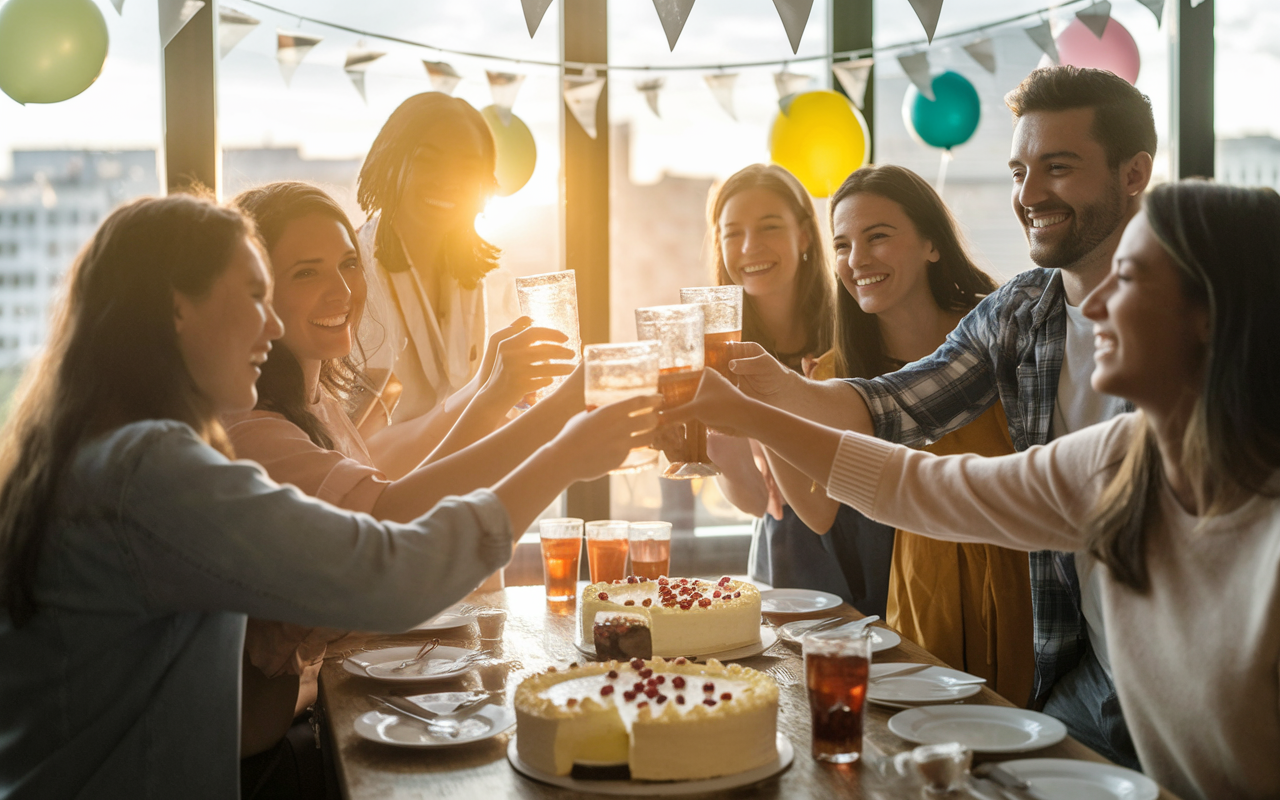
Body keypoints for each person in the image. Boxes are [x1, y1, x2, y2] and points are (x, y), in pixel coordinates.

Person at [0, 193, 658, 798]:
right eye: (257, 296)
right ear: (178, 307)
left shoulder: (94, 450)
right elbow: (392, 568)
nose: (270, 327)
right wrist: (568, 453)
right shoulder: (153, 469)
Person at [677, 180, 1280, 800]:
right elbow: (913, 485)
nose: (1092, 307)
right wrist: (751, 412)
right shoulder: (1117, 458)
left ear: (1209, 311)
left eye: (1126, 280)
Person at [732, 66, 1152, 765]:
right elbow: (889, 410)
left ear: (1134, 173)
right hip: (1081, 668)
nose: (1029, 194)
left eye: (1059, 167)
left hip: (1192, 665)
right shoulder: (1021, 312)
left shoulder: (1210, 308)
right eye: (1020, 170)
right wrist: (762, 388)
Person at [225, 182, 586, 792]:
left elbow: (394, 501)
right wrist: (561, 421)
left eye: (346, 264)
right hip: (261, 770)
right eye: (307, 272)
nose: (341, 291)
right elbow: (392, 523)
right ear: (257, 295)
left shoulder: (319, 406)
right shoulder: (255, 431)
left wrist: (493, 395)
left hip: (305, 726)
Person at [768, 164, 1034, 704]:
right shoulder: (832, 375)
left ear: (932, 243)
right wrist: (767, 413)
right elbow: (818, 513)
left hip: (1021, 571)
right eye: (842, 245)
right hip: (923, 585)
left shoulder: (1000, 335)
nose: (856, 260)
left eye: (878, 237)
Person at [700, 164, 893, 610]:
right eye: (733, 233)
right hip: (788, 555)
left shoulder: (854, 327)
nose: (750, 247)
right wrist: (713, 447)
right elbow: (754, 500)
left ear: (805, 235)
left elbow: (830, 502)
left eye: (769, 227)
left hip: (873, 543)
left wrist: (767, 410)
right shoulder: (721, 350)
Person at [354, 92, 537, 479]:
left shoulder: (491, 283)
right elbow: (358, 455)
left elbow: (502, 425)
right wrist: (487, 396)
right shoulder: (353, 278)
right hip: (382, 519)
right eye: (427, 160)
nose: (448, 182)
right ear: (389, 162)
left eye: (467, 168)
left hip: (472, 508)